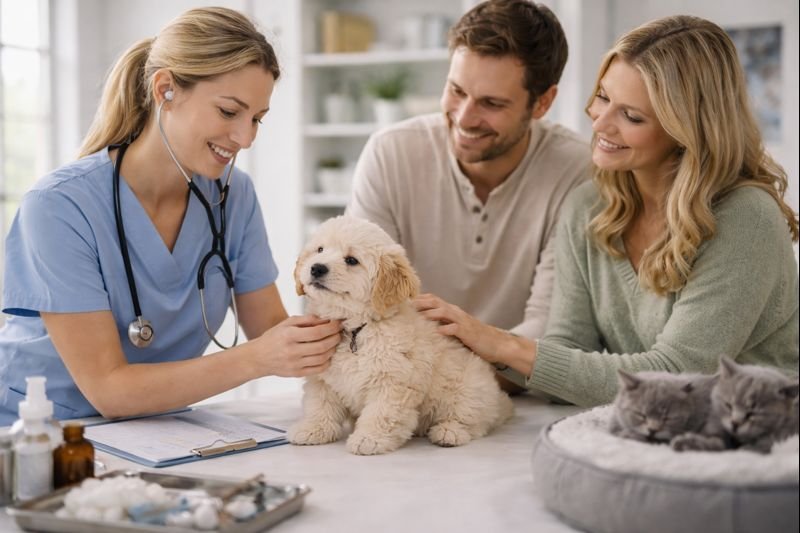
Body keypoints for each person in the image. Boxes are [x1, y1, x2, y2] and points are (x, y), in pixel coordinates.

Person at [417, 14, 800, 407]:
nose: (600, 123)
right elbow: (564, 352)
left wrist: (503, 344)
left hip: (760, 442)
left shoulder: (745, 217)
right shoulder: (589, 207)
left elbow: (678, 376)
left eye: (631, 116)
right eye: (602, 97)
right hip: (641, 433)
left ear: (687, 130)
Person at [0, 7, 341, 425]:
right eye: (229, 112)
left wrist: (380, 326)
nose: (246, 138)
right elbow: (110, 390)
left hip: (156, 432)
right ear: (165, 90)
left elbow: (271, 330)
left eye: (257, 119)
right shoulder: (58, 205)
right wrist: (257, 360)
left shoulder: (233, 197)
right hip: (40, 437)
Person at [347, 0, 590, 391]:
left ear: (542, 102)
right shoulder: (391, 152)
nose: (464, 118)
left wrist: (450, 378)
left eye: (492, 103)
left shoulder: (577, 170)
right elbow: (361, 298)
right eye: (456, 90)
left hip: (513, 400)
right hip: (399, 387)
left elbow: (550, 328)